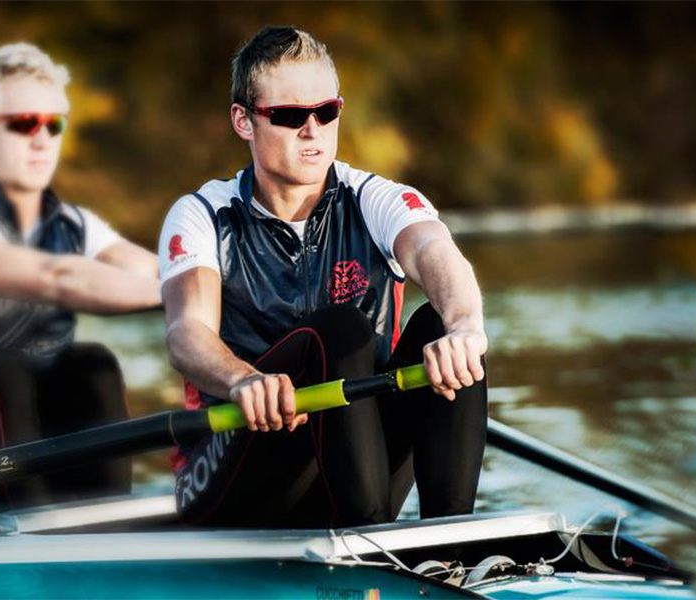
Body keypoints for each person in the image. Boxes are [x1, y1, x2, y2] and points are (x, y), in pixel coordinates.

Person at [159, 26, 488, 528]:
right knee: (342, 329)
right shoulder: (203, 214)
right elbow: (187, 333)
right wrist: (242, 379)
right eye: (290, 116)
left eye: (326, 111)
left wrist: (466, 328)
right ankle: (372, 537)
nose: (312, 130)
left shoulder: (373, 197)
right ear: (243, 121)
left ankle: (452, 544)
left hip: (357, 463)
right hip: (239, 464)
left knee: (444, 332)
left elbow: (433, 249)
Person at [0, 43, 160, 515]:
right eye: (23, 124)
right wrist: (178, 293)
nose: (42, 140)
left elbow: (165, 272)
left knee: (93, 364)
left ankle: (102, 520)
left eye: (53, 124)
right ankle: (37, 543)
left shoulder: (76, 224)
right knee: (8, 372)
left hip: (37, 457)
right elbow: (57, 278)